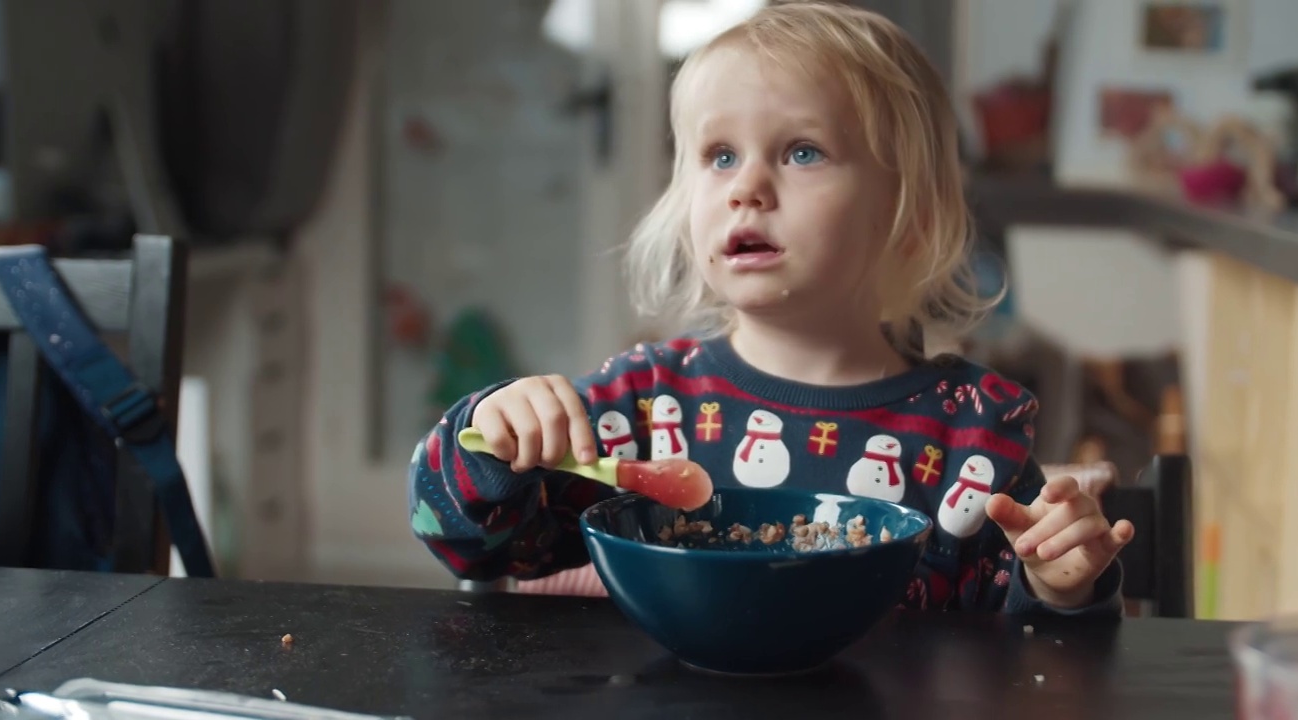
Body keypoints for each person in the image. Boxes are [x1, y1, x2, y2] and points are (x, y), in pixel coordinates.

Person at [407, 2, 1133, 615]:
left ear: (904, 219)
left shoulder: (970, 435)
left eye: (803, 152)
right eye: (719, 155)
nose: (746, 186)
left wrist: (1059, 584)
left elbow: (1034, 661)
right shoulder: (641, 411)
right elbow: (471, 539)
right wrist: (488, 437)